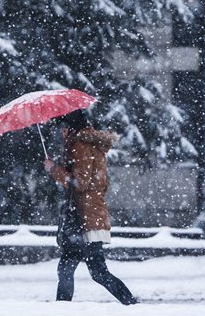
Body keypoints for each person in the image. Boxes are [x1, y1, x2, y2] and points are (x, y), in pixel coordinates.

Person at [43, 110, 138, 305]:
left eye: (62, 127)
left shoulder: (80, 145)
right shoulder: (88, 144)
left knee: (92, 271)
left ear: (70, 127)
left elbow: (80, 182)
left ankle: (131, 304)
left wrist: (53, 169)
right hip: (87, 215)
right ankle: (63, 308)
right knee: (73, 268)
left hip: (85, 218)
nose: (60, 132)